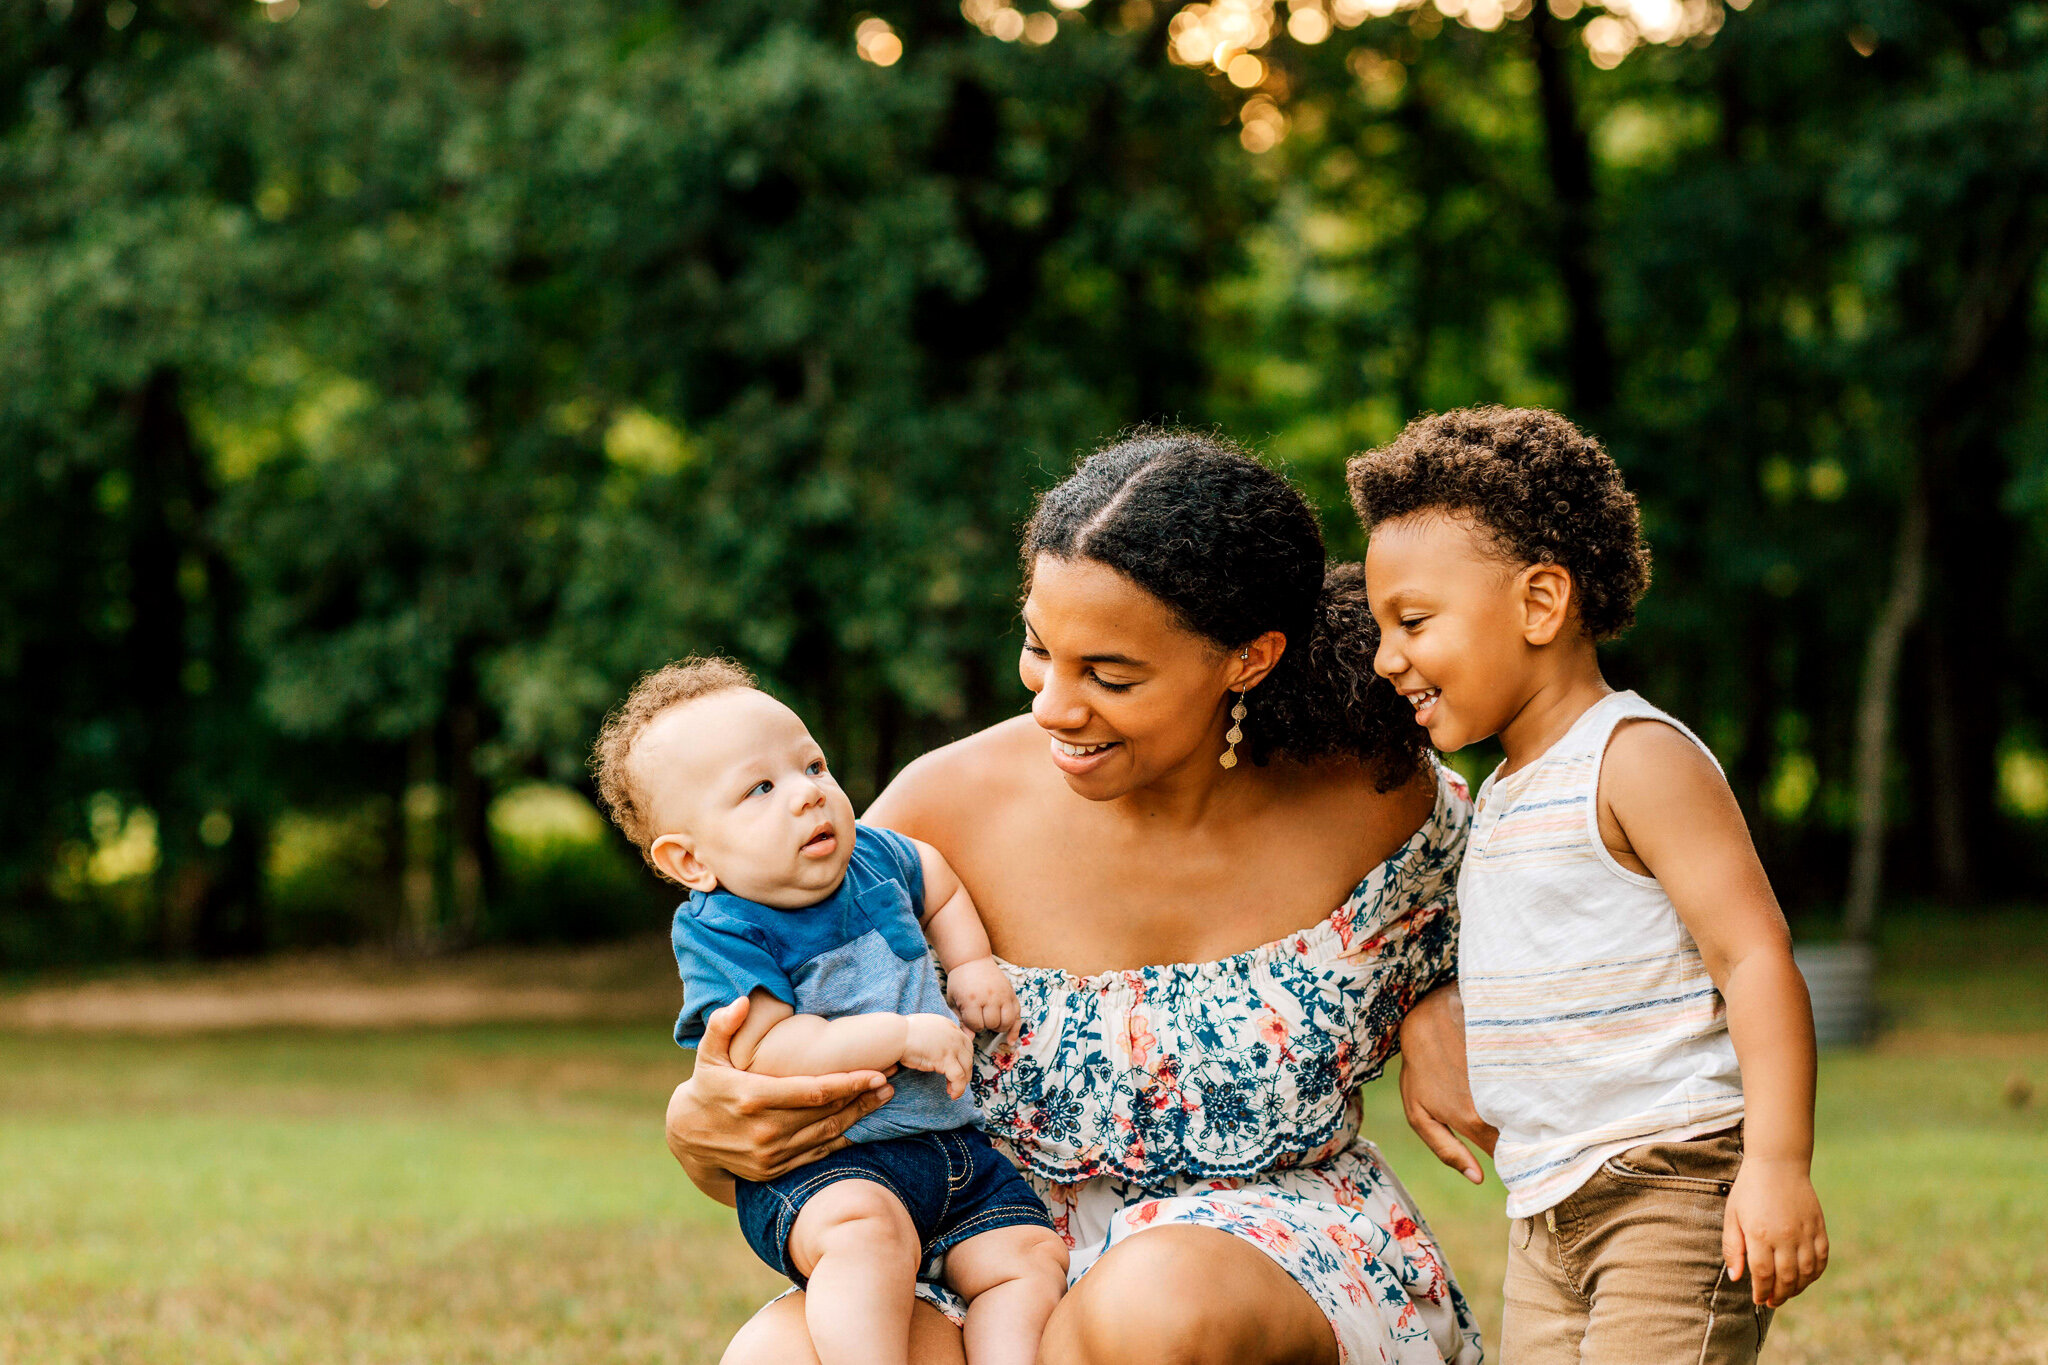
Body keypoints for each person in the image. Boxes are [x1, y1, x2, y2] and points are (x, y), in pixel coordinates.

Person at [667, 430, 1491, 1365]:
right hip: (987, 1238)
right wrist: (700, 1132)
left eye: (1109, 673)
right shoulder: (933, 814)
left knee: (1152, 1305)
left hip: (1263, 1253)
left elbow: (1516, 911)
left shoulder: (1374, 794)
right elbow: (778, 1072)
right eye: (1038, 648)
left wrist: (1439, 992)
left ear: (1249, 659)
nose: (1053, 705)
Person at [1350, 406, 1830, 1364]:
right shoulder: (1502, 793)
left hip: (1673, 1187)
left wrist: (1777, 1164)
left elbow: (1754, 956)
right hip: (1550, 1210)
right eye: (1378, 628)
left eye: (1413, 621)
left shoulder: (1632, 757)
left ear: (1539, 604)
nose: (1384, 655)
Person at [590, 658, 1067, 1365]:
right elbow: (770, 1048)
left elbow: (933, 877)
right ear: (690, 860)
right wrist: (900, 1035)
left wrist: (969, 963)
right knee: (868, 1237)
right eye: (760, 787)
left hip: (954, 1151)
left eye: (812, 766)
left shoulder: (871, 855)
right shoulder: (724, 928)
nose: (808, 795)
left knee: (1028, 1254)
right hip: (829, 1172)